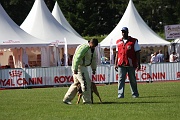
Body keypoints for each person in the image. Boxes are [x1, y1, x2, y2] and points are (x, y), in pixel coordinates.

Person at [63, 38, 98, 104]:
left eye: (94, 46)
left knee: (76, 84)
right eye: (93, 45)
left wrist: (94, 68)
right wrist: (75, 68)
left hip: (81, 67)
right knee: (85, 83)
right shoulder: (84, 48)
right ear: (90, 43)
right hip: (80, 67)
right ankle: (87, 101)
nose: (93, 47)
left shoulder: (92, 49)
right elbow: (77, 57)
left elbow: (93, 59)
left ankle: (67, 99)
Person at [114, 27, 140, 98]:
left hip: (130, 64)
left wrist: (138, 63)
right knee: (120, 80)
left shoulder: (133, 41)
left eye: (124, 32)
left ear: (128, 32)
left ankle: (135, 94)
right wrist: (115, 63)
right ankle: (120, 94)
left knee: (132, 80)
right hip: (121, 64)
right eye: (122, 32)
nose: (123, 33)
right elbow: (117, 53)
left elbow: (137, 52)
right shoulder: (118, 42)